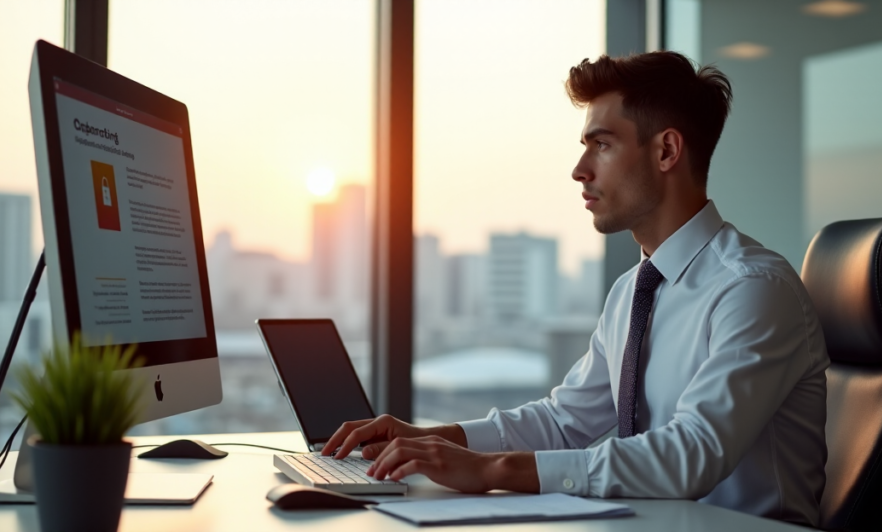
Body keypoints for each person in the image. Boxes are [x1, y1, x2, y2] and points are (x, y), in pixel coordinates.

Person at [324, 51, 830, 526]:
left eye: (602, 144)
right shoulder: (634, 290)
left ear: (667, 150)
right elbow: (563, 421)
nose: (579, 170)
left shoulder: (753, 290)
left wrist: (492, 470)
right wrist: (431, 439)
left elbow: (690, 456)